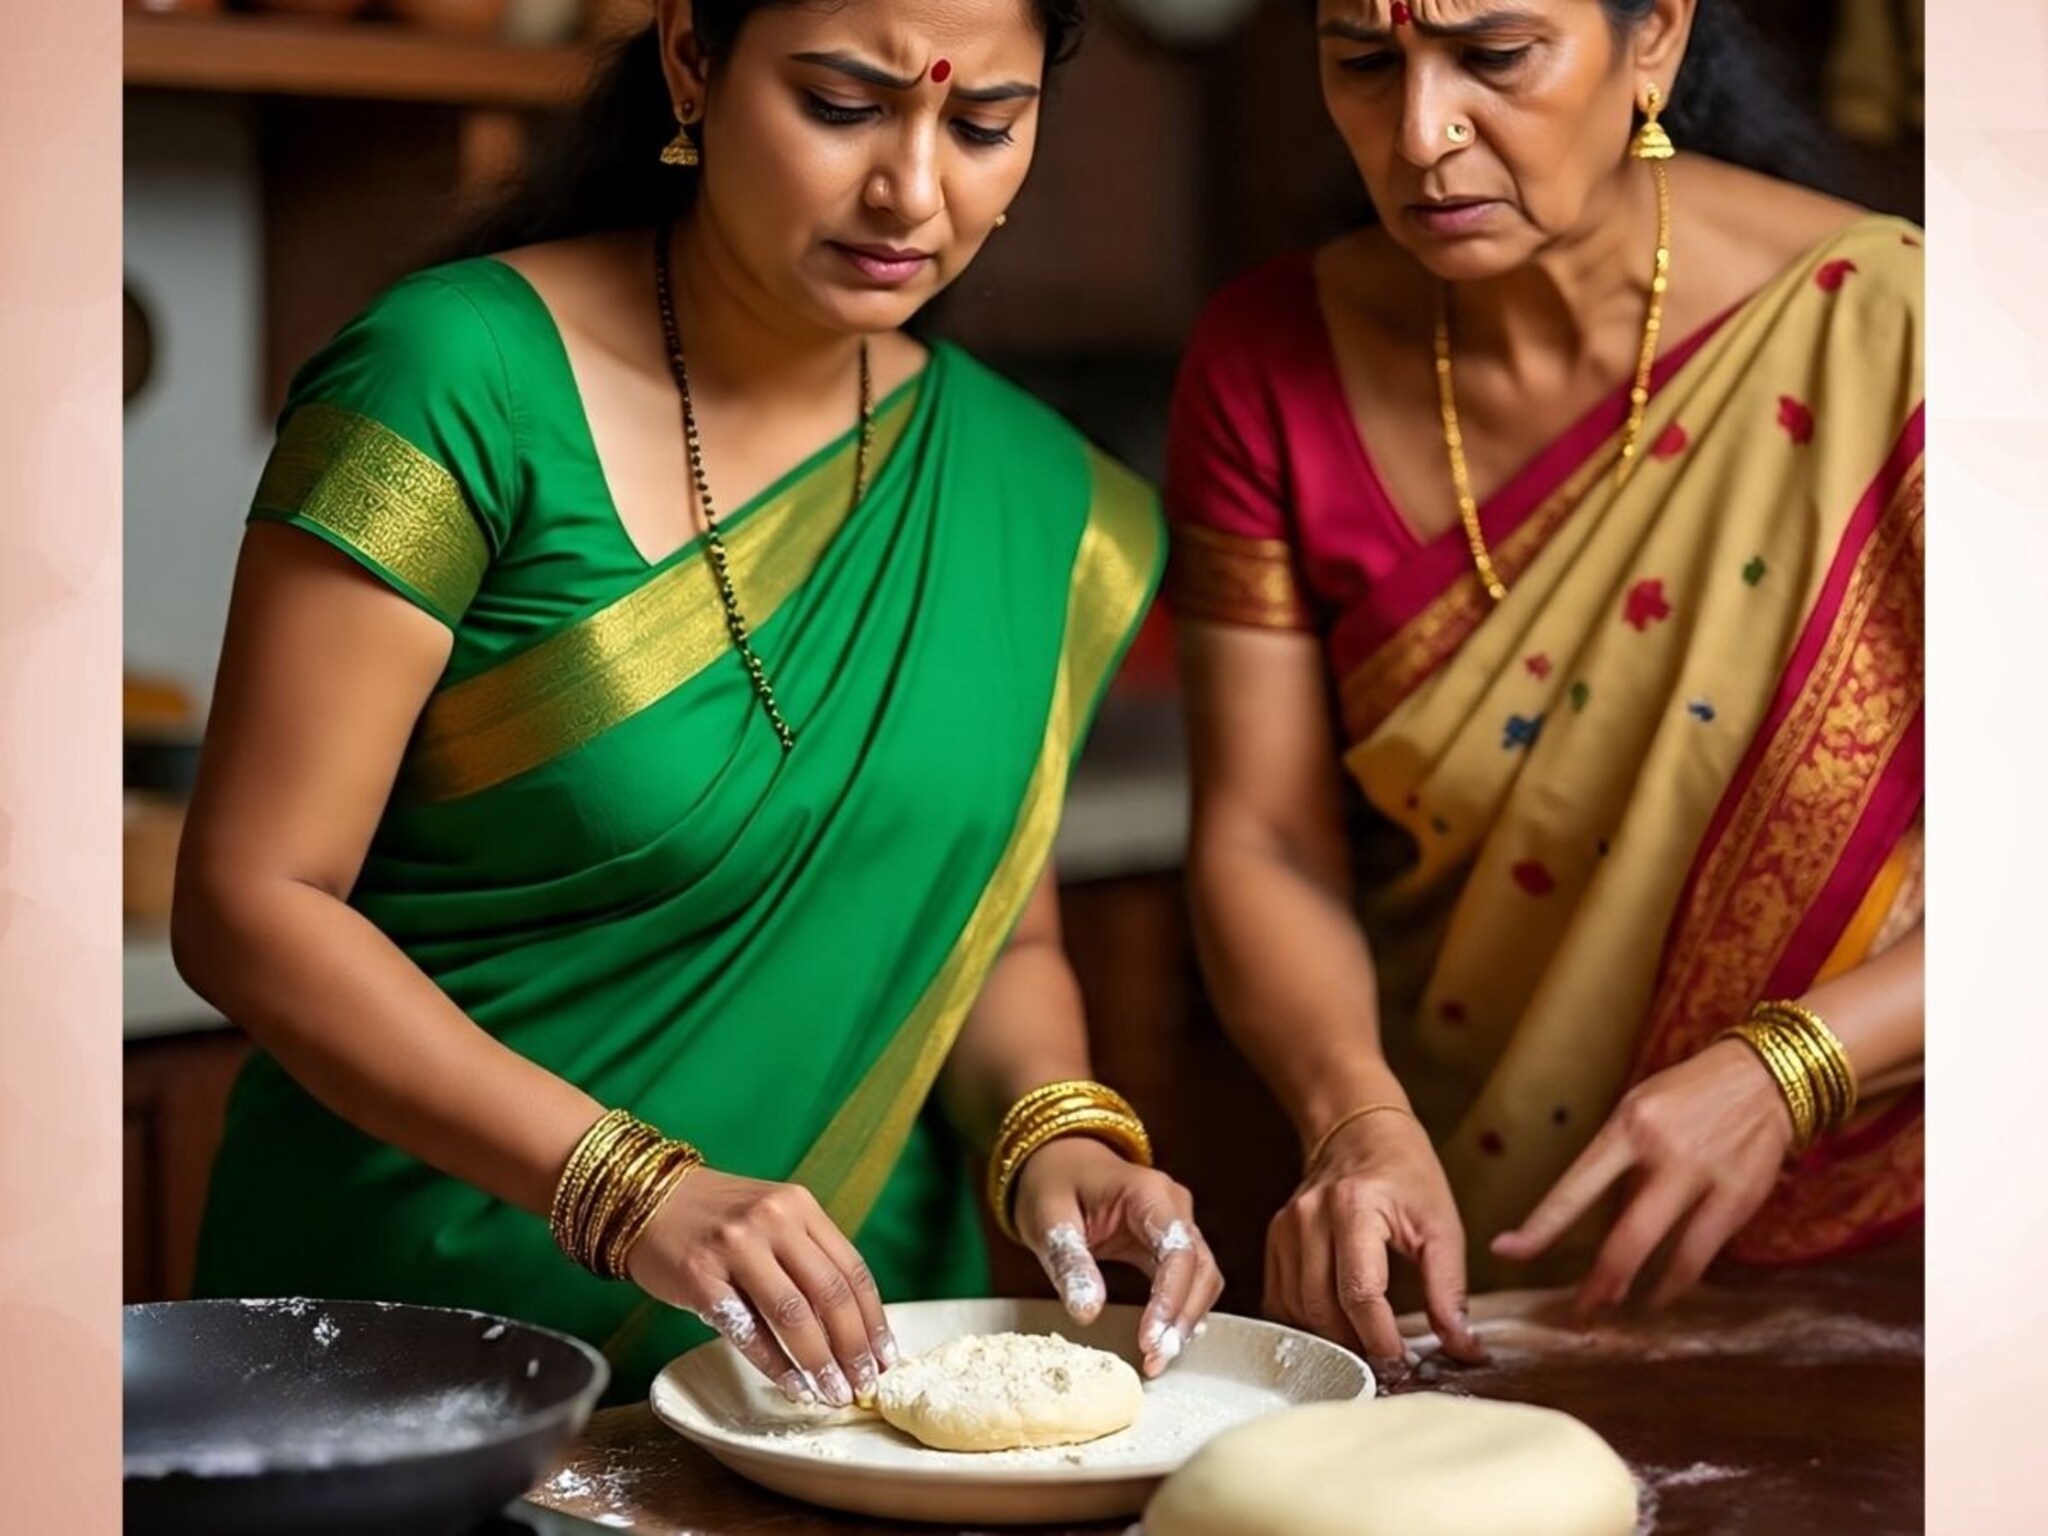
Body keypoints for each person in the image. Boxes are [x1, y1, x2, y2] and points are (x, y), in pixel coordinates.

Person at [175, 0, 1222, 1405]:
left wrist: (1061, 1139)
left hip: (817, 1381)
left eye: (983, 125)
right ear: (693, 59)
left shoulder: (1039, 502)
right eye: (842, 106)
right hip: (406, 1349)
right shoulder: (456, 381)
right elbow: (251, 901)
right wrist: (630, 1186)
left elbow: (990, 933)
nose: (913, 188)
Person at [1165, 0, 1921, 1379]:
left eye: (1495, 58)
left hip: (1894, 1268)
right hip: (1477, 1238)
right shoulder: (1268, 361)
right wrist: (1351, 1119)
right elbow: (1262, 835)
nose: (1421, 134)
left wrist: (1792, 1067)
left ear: (1654, 39)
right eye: (1365, 63)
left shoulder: (1897, 336)